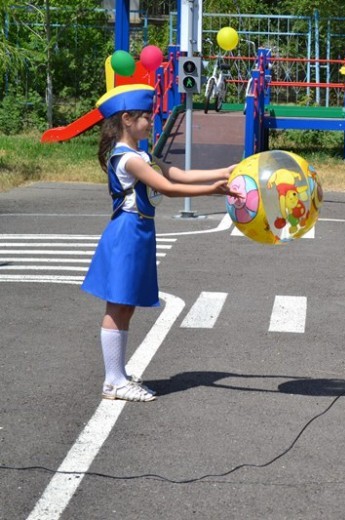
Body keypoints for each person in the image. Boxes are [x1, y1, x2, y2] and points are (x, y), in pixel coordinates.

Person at [81, 84, 240, 402]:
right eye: (146, 116)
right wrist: (213, 190)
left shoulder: (142, 154)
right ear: (127, 119)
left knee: (126, 305)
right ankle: (113, 381)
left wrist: (223, 171)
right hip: (127, 233)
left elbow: (178, 174)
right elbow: (168, 188)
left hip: (139, 232)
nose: (151, 122)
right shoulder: (128, 159)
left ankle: (118, 376)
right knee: (118, 304)